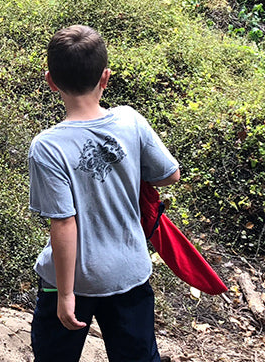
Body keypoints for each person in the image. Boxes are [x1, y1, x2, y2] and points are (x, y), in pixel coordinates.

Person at [28, 24, 181, 362]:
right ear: (105, 78)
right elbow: (170, 174)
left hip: (68, 279)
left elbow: (64, 223)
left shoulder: (48, 146)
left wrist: (65, 294)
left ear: (50, 81)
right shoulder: (130, 121)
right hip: (128, 271)